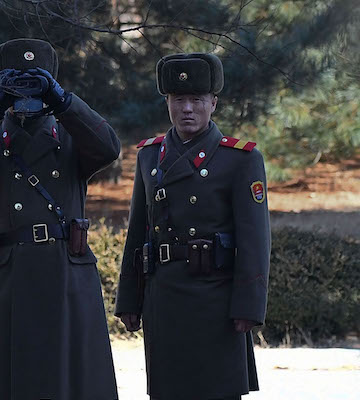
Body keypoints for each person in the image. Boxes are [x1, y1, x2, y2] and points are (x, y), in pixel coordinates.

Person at [0, 38, 120, 400]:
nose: (27, 96)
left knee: (70, 380)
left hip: (65, 273)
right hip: (13, 274)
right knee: (12, 381)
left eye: (34, 83)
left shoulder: (71, 138)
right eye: (16, 84)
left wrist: (62, 100)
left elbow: (109, 148)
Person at [114, 53, 271, 400]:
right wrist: (130, 298)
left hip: (216, 300)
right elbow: (137, 231)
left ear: (213, 103)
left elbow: (255, 240)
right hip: (164, 299)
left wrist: (248, 306)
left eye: (196, 100)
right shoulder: (149, 156)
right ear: (167, 102)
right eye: (178, 99)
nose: (187, 108)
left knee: (216, 391)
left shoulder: (240, 159)